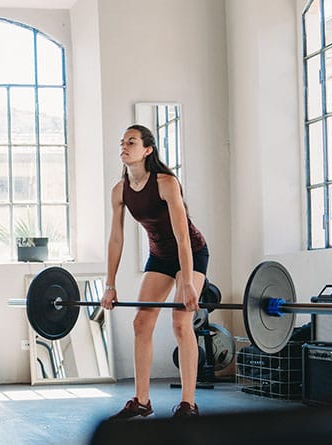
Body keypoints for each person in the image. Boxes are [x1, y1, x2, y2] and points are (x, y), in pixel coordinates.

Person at [100, 124, 209, 418]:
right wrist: (109, 284)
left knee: (180, 321)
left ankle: (189, 404)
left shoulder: (166, 182)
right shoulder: (119, 191)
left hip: (192, 253)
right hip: (160, 258)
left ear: (147, 150)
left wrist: (186, 282)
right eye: (122, 142)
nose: (124, 146)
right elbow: (116, 239)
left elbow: (183, 235)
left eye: (131, 142)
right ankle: (142, 401)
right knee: (141, 323)